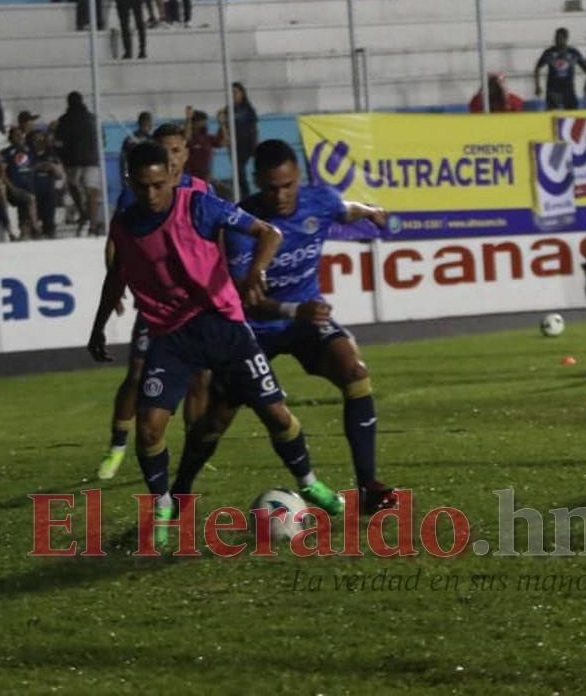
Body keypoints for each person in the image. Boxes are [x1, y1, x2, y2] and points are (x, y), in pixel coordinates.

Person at [87, 141, 343, 549]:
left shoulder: (199, 206)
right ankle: (165, 506)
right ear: (130, 183)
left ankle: (309, 484)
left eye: (158, 184)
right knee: (150, 428)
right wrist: (98, 327)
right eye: (142, 187)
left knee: (276, 415)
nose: (152, 195)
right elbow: (116, 276)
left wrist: (255, 271)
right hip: (172, 337)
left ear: (171, 176)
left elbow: (268, 232)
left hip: (226, 327)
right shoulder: (124, 224)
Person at [172, 140, 397, 513]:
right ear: (256, 180)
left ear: (298, 179)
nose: (281, 195)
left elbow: (343, 210)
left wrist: (371, 211)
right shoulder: (243, 223)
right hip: (254, 329)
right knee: (217, 419)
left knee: (355, 371)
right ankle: (177, 493)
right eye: (272, 187)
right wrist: (295, 310)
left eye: (288, 185)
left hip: (303, 321)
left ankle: (368, 487)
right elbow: (248, 299)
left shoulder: (319, 200)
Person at [97, 122, 210, 480]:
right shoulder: (138, 196)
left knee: (200, 380)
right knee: (136, 375)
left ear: (185, 153)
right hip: (156, 305)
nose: (171, 158)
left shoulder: (201, 191)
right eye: (165, 151)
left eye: (176, 151)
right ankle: (117, 447)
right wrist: (117, 283)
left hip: (194, 305)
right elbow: (115, 241)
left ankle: (194, 453)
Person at [55, 91, 100, 235]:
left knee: (74, 188)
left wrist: (62, 158)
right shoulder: (92, 118)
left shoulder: (64, 120)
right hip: (91, 160)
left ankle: (83, 213)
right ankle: (93, 224)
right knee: (92, 192)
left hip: (72, 162)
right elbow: (102, 138)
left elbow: (58, 143)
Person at [534, 27, 586, 110]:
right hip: (553, 90)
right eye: (556, 37)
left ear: (566, 38)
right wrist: (537, 86)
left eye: (559, 37)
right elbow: (537, 67)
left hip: (569, 89)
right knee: (553, 114)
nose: (556, 40)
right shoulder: (549, 52)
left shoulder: (573, 52)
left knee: (573, 112)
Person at [27, 129, 63, 239]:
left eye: (41, 138)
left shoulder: (52, 155)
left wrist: (52, 167)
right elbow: (24, 171)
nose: (39, 141)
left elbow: (59, 175)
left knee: (49, 222)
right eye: (36, 139)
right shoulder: (27, 155)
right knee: (33, 223)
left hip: (48, 192)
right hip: (33, 192)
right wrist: (37, 167)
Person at [184, 106, 226, 183]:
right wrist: (188, 119)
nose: (204, 125)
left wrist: (222, 123)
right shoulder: (190, 139)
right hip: (190, 178)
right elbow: (186, 138)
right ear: (194, 124)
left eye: (205, 122)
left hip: (205, 178)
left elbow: (223, 142)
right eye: (201, 123)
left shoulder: (208, 139)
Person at [231, 82, 259, 198]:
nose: (234, 95)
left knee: (253, 169)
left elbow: (254, 128)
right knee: (239, 172)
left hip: (248, 144)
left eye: (236, 92)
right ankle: (245, 194)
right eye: (232, 93)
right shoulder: (230, 110)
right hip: (235, 146)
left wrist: (255, 144)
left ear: (242, 93)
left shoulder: (248, 109)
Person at [120, 111, 153, 184]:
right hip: (148, 176)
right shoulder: (152, 140)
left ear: (138, 123)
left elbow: (123, 161)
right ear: (149, 123)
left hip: (133, 176)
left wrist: (126, 176)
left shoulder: (128, 139)